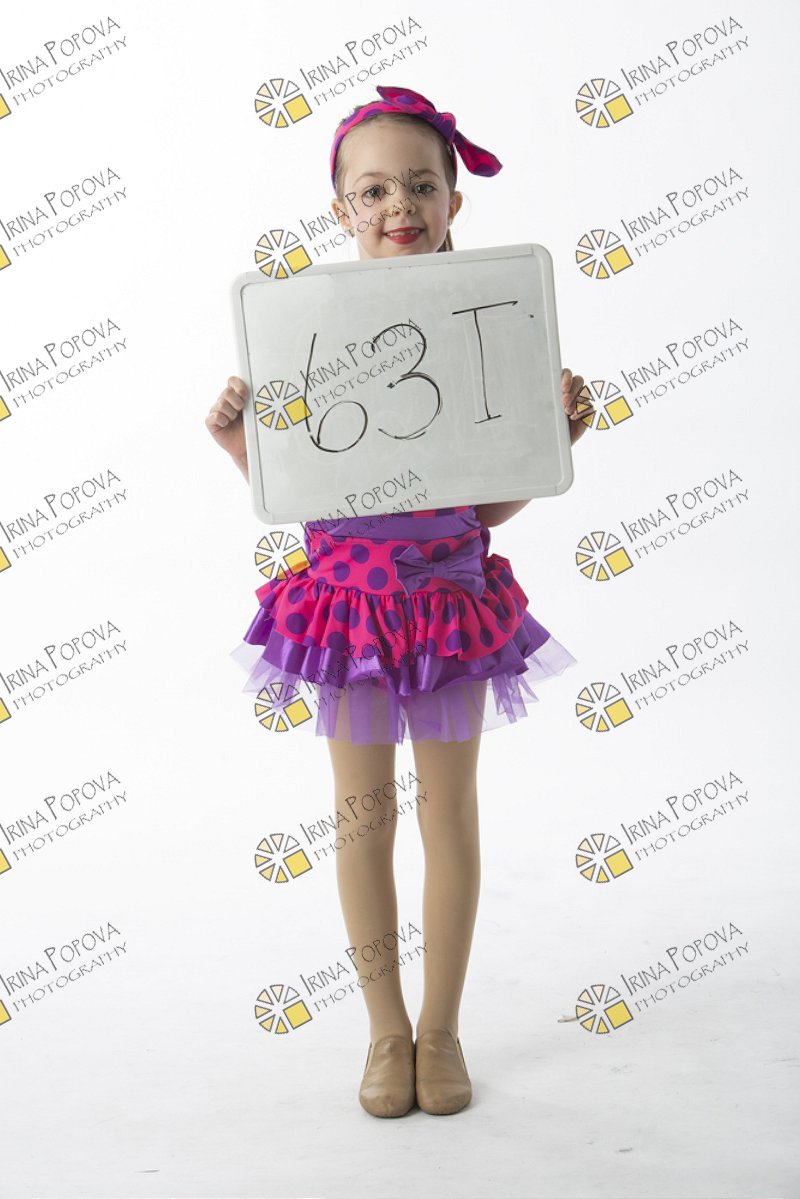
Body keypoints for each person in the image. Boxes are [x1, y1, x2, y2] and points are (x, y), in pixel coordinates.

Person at [206, 84, 595, 1119]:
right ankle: (384, 1028)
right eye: (373, 190)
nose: (399, 207)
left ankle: (440, 1026)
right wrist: (240, 444)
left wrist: (554, 440)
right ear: (340, 209)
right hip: (348, 608)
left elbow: (484, 503)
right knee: (361, 817)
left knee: (449, 813)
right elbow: (301, 487)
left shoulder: (482, 327)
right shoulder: (307, 327)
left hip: (447, 605)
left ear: (453, 202)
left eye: (421, 186)